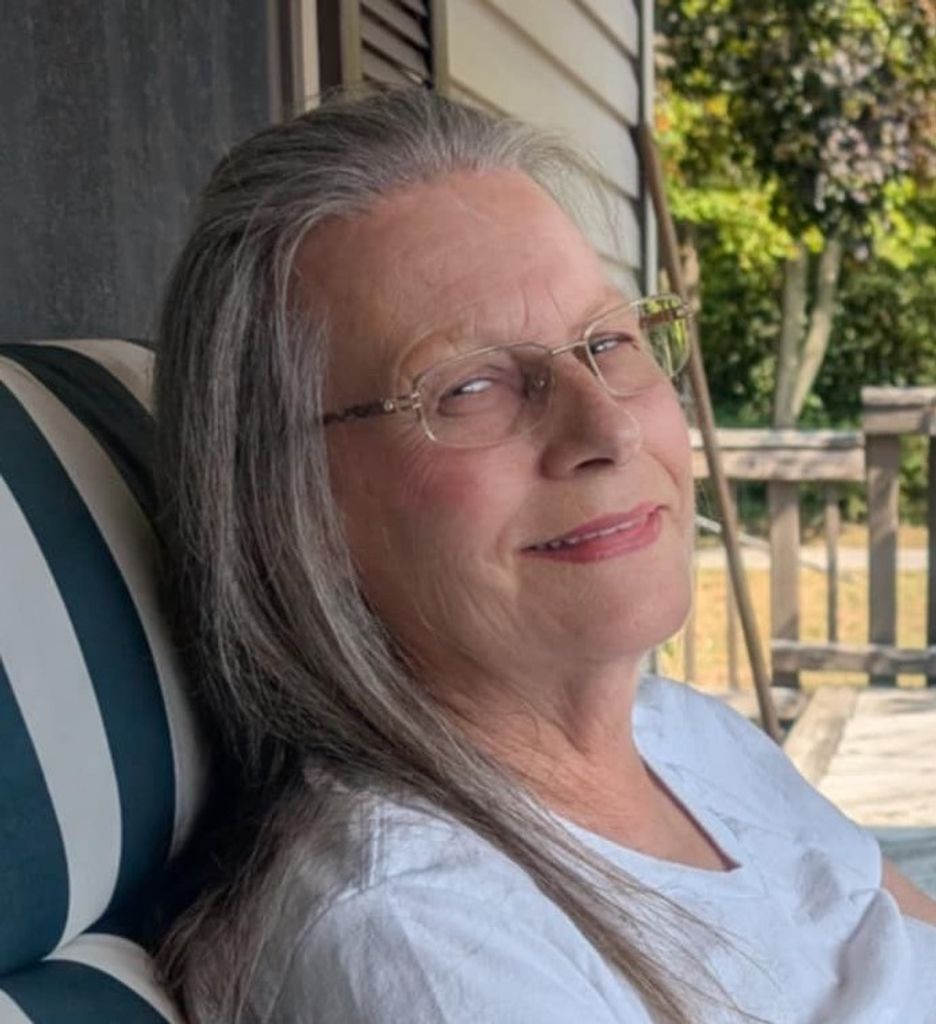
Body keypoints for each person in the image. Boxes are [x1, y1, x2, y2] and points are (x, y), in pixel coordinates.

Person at [154, 88, 936, 1024]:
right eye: (469, 386)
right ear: (289, 504)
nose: (609, 427)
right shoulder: (422, 938)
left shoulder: (683, 740)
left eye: (608, 341)